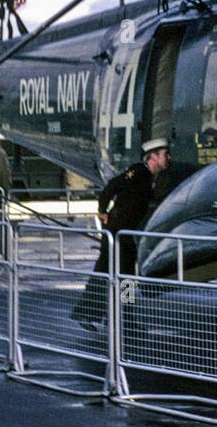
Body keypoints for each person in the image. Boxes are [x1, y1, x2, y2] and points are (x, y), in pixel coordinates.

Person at [71, 138, 171, 329]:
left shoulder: (151, 177)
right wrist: (102, 211)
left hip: (126, 234)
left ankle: (124, 317)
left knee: (126, 276)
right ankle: (89, 314)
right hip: (116, 232)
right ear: (153, 157)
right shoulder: (138, 171)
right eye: (164, 154)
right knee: (106, 271)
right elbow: (111, 187)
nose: (168, 158)